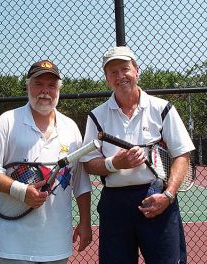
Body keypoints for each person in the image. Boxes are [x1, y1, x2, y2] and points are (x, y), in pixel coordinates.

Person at [80, 46, 195, 264]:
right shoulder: (96, 116)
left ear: (137, 71)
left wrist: (168, 196)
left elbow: (182, 154)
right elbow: (88, 164)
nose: (120, 76)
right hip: (115, 204)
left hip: (157, 198)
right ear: (106, 78)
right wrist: (115, 163)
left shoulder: (162, 108)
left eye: (125, 69)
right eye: (113, 72)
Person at [0, 60, 92, 264]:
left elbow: (81, 182)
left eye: (51, 85)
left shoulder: (71, 127)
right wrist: (22, 192)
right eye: (38, 84)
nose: (45, 91)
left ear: (59, 89)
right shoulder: (7, 121)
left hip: (57, 244)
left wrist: (85, 222)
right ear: (27, 86)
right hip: (15, 246)